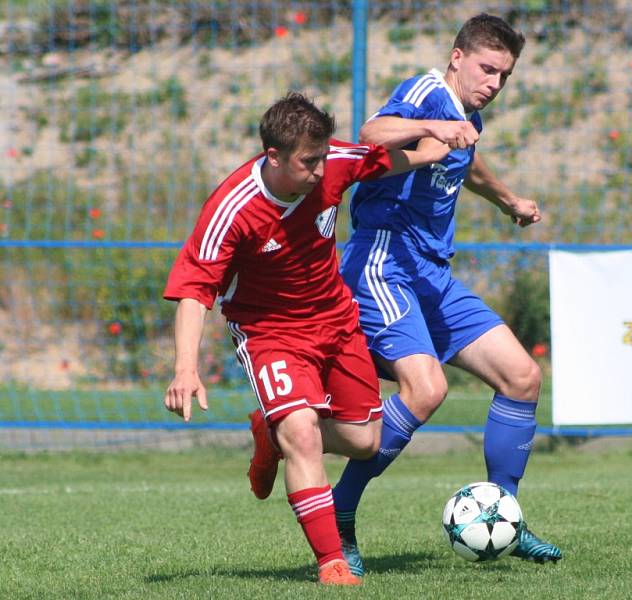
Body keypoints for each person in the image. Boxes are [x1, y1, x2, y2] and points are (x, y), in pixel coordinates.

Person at [162, 92, 449, 586]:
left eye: (321, 158)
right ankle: (331, 563)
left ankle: (269, 430)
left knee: (363, 441)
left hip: (337, 322)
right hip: (269, 330)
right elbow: (195, 289)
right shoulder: (232, 207)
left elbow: (378, 161)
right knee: (303, 431)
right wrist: (185, 368)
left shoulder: (331, 160)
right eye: (307, 162)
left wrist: (431, 150)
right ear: (273, 156)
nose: (319, 171)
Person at [330, 14, 563, 576]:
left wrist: (508, 199)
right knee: (426, 388)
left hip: (431, 273)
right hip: (383, 263)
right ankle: (338, 516)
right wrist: (430, 129)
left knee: (522, 377)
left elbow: (468, 163)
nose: (493, 83)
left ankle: (505, 515)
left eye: (504, 75)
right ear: (457, 57)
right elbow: (370, 133)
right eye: (486, 68)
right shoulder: (428, 90)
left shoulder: (467, 114)